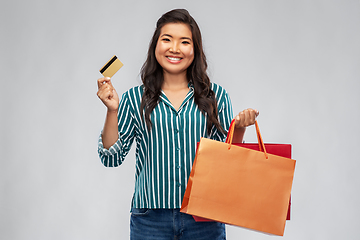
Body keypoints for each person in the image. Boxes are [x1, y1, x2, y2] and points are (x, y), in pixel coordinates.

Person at [97, 9, 258, 240]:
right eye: (167, 39)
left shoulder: (216, 96)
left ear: (195, 50)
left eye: (184, 41)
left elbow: (228, 164)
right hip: (149, 219)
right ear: (156, 46)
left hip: (204, 218)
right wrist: (112, 111)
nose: (175, 48)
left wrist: (240, 127)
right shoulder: (134, 99)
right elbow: (111, 158)